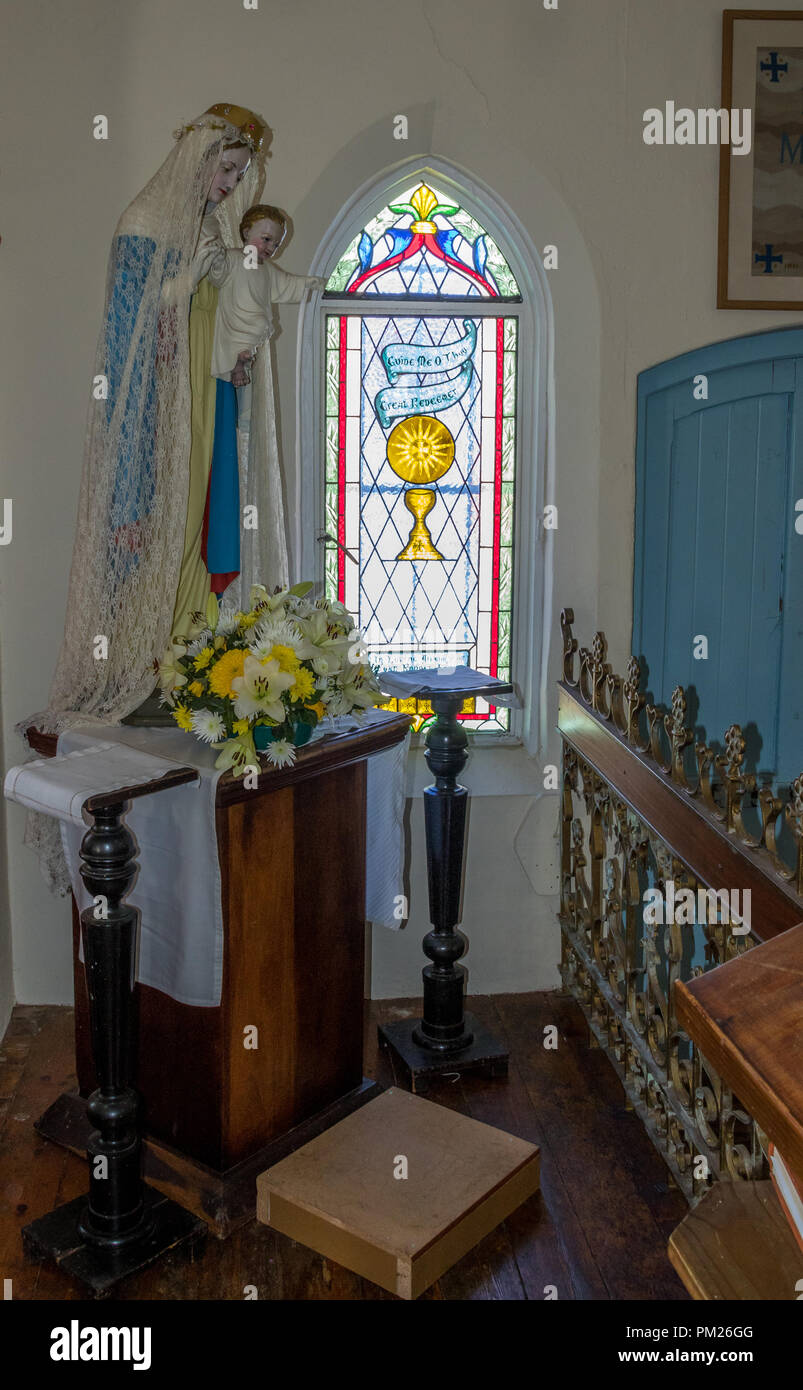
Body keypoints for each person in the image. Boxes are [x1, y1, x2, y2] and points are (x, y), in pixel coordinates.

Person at [23, 103, 285, 890]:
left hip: (206, 407)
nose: (229, 187)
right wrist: (185, 286)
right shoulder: (144, 222)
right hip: (158, 416)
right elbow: (129, 333)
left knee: (207, 526)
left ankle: (194, 652)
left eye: (240, 177)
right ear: (196, 158)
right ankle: (151, 660)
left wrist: (234, 353)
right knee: (160, 531)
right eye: (225, 171)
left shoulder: (212, 234)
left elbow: (229, 313)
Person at [183, 204, 324, 598]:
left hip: (252, 342)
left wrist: (310, 283)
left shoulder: (266, 271)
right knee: (235, 369)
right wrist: (206, 258)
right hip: (230, 338)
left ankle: (242, 383)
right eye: (265, 239)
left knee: (243, 387)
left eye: (275, 243)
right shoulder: (233, 259)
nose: (270, 248)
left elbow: (288, 286)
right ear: (246, 233)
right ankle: (238, 372)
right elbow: (213, 273)